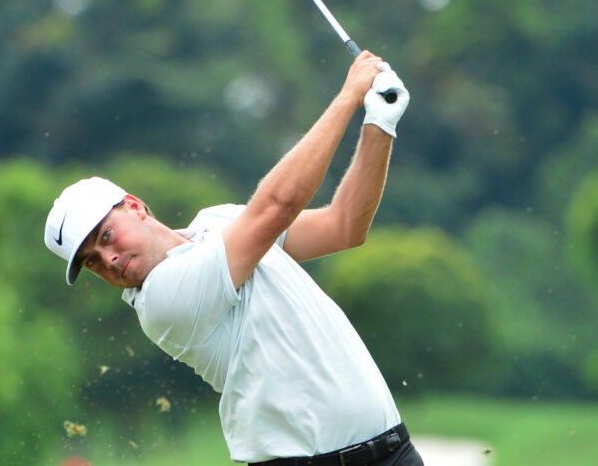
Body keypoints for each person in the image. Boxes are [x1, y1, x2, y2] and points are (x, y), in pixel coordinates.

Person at [43, 51, 422, 466]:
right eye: (92, 262)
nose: (109, 259)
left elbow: (344, 226)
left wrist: (379, 124)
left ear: (134, 206)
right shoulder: (162, 300)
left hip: (394, 452)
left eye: (106, 237)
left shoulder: (219, 221)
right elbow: (277, 206)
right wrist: (349, 96)